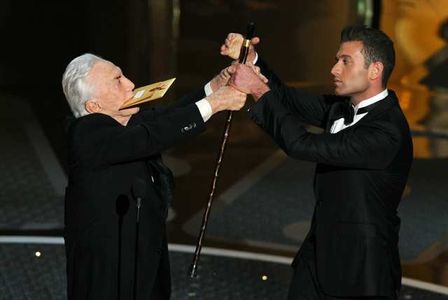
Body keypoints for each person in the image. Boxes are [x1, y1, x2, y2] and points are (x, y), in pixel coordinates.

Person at [222, 25, 413, 299]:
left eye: (345, 61)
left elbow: (301, 144)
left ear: (375, 70)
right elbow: (286, 99)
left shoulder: (386, 132)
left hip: (361, 268)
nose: (334, 69)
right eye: (337, 60)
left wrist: (257, 89)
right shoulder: (341, 108)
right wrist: (252, 59)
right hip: (317, 253)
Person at [62, 53, 247, 299]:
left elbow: (169, 116)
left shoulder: (127, 122)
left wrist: (214, 87)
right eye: (118, 80)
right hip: (110, 277)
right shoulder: (86, 134)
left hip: (144, 265)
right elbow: (153, 135)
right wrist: (214, 104)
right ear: (94, 107)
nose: (130, 84)